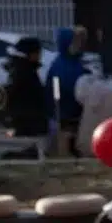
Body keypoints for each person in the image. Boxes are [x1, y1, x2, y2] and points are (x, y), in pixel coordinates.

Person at [0, 37, 51, 160]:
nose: (40, 56)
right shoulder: (23, 71)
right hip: (26, 120)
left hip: (27, 118)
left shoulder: (24, 68)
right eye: (38, 53)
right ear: (31, 54)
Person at [45, 26, 89, 157]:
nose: (79, 45)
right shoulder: (61, 65)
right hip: (64, 113)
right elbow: (67, 87)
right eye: (75, 42)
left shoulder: (75, 61)